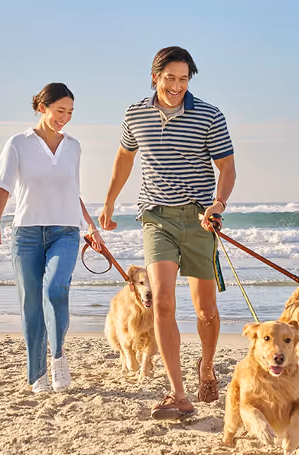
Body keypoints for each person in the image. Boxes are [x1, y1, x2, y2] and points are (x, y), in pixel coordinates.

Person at [99, 47, 236, 419]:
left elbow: (226, 167)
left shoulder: (209, 115)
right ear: (155, 76)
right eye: (170, 77)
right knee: (161, 303)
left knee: (205, 310)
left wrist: (218, 204)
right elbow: (125, 157)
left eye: (184, 78)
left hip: (199, 220)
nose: (177, 85)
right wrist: (110, 201)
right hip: (156, 218)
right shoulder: (135, 113)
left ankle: (206, 367)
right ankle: (178, 394)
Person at [0, 83, 104, 393]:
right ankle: (37, 374)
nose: (64, 118)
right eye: (59, 111)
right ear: (43, 108)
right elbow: (3, 186)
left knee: (55, 290)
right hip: (26, 233)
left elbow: (73, 192)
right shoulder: (18, 144)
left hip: (65, 231)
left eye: (70, 113)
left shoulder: (74, 146)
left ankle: (59, 357)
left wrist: (90, 226)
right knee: (31, 305)